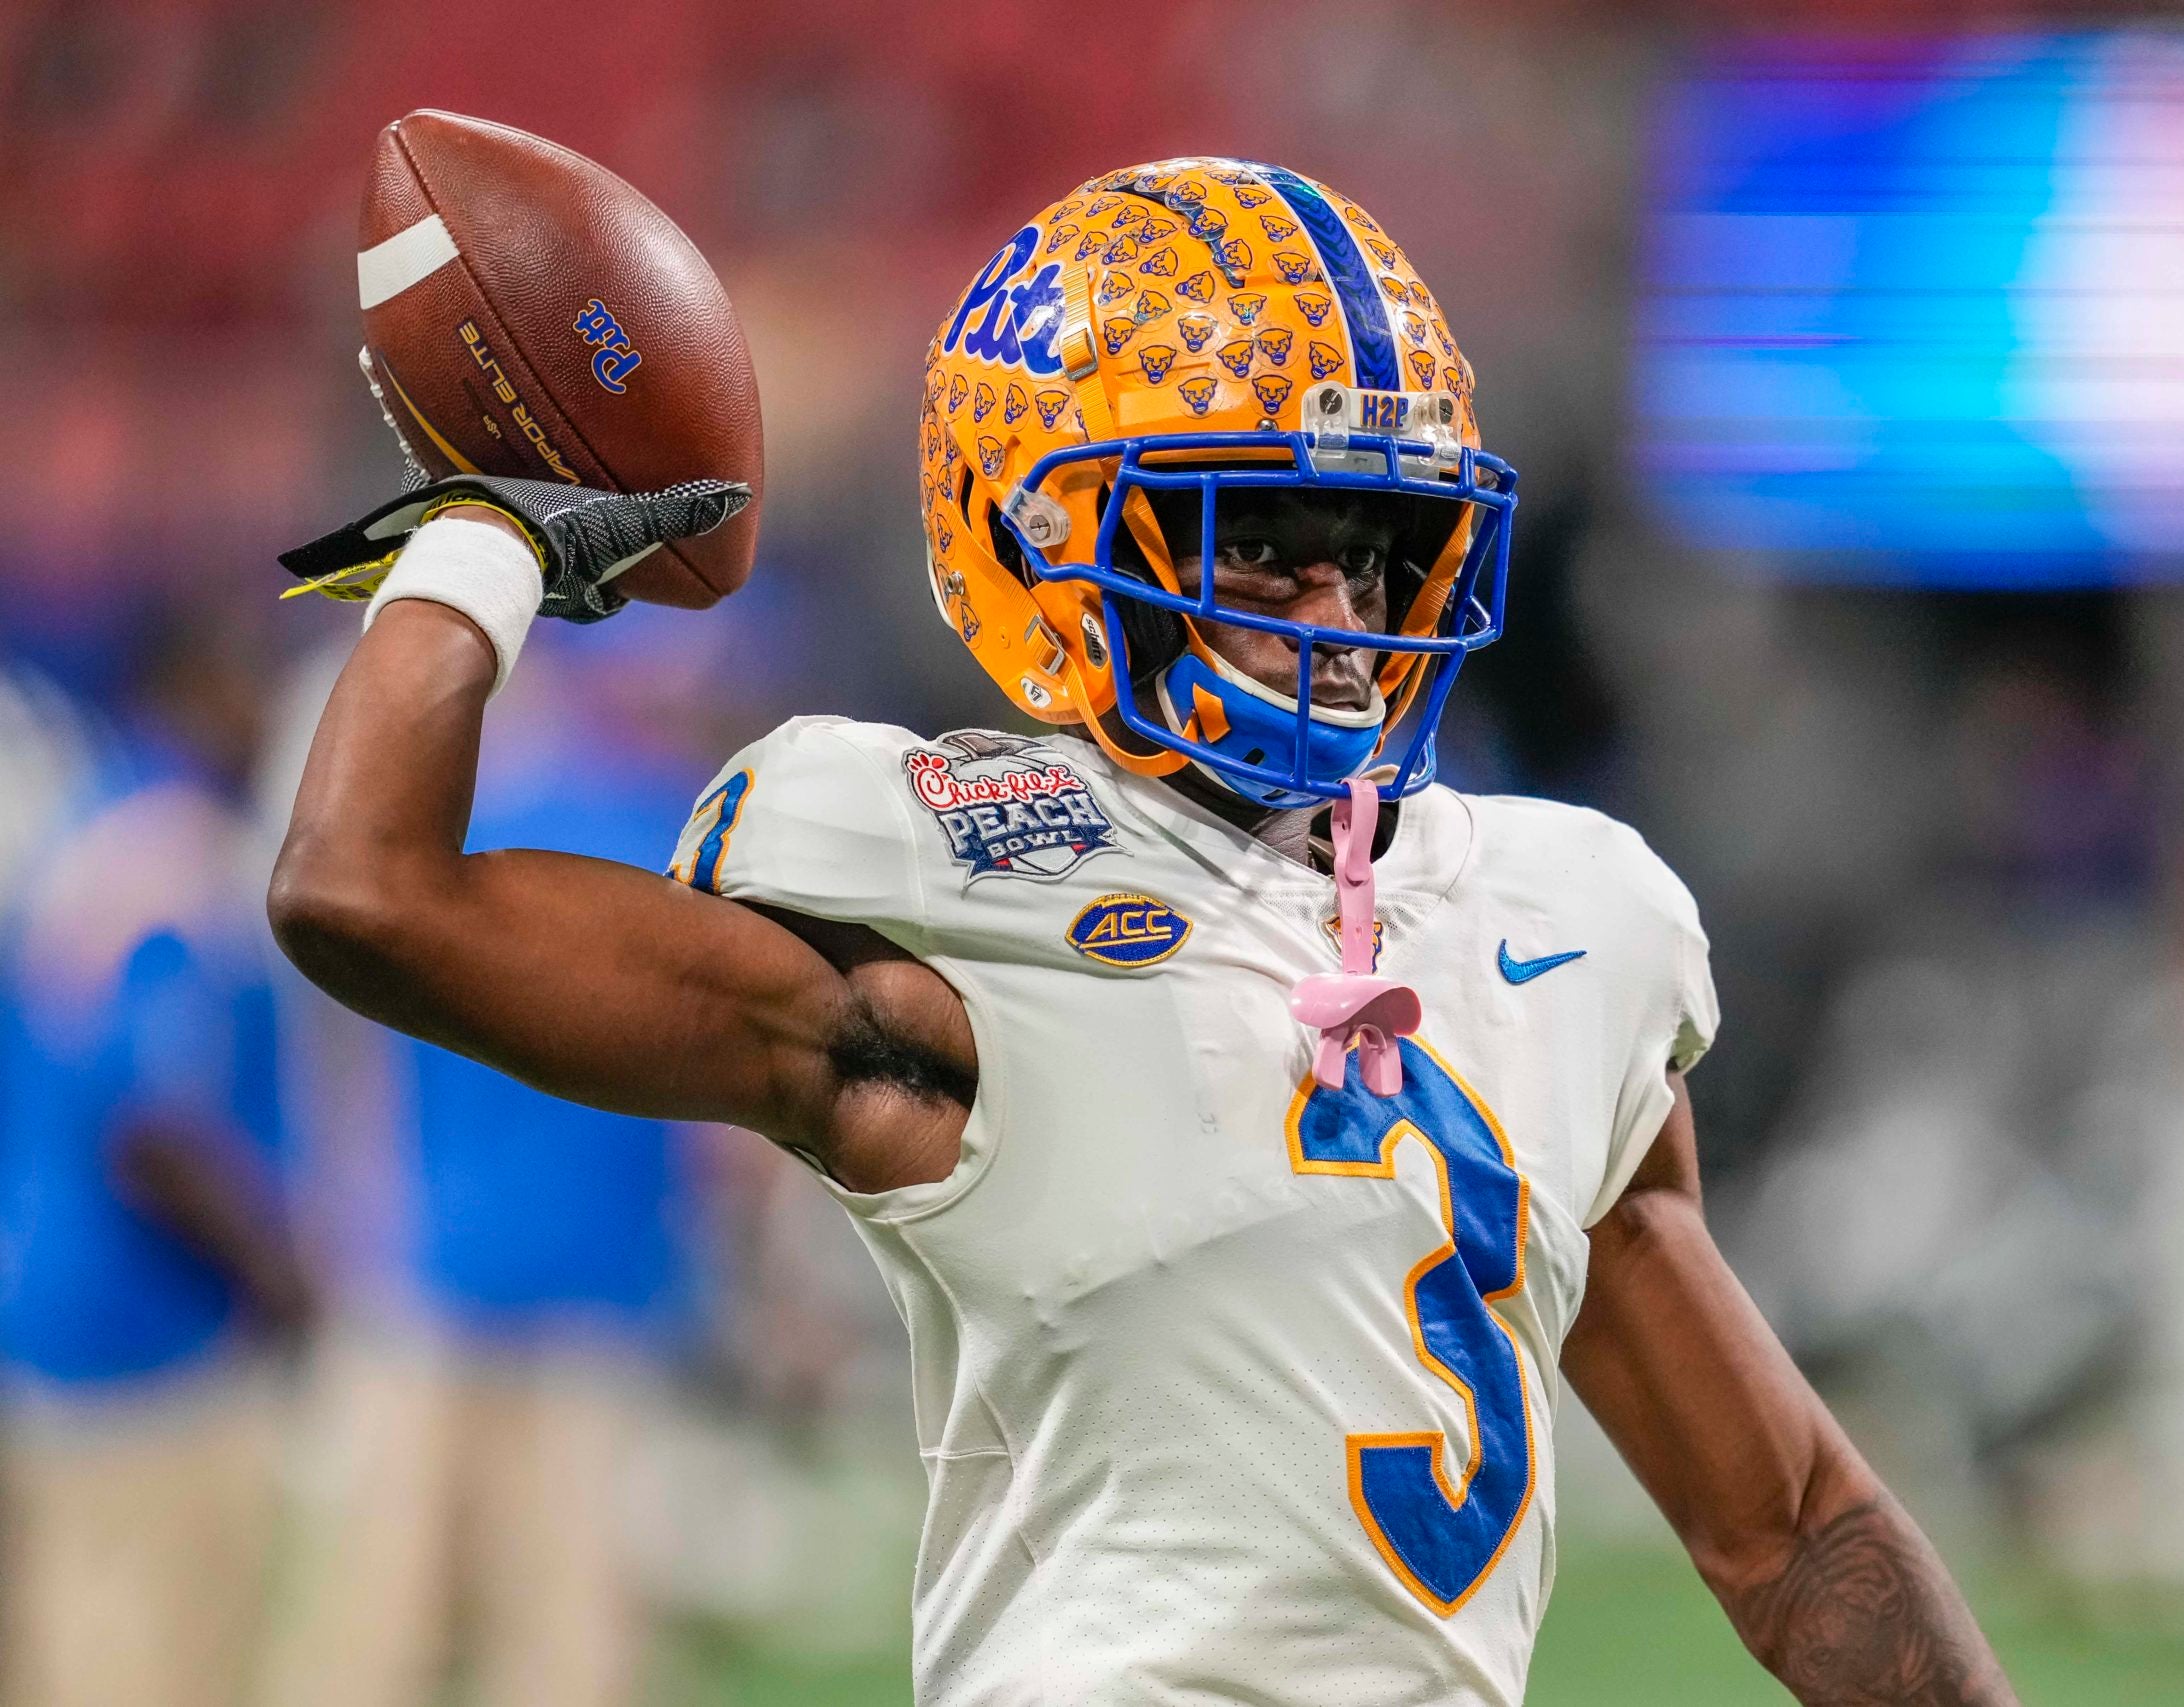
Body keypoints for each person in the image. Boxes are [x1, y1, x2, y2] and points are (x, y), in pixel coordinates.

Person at [269, 159, 2014, 1705]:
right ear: (1043, 535)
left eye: (1370, 546)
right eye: (1252, 544)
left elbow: (1786, 1529)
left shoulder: (1567, 922)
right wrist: (489, 535)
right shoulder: (956, 912)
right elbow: (370, 896)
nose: (1330, 613)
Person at [266, 634, 712, 1707]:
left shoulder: (452, 827)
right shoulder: (660, 830)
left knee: (372, 1640)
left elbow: (346, 1045)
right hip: (586, 1288)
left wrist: (340, 1206)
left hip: (432, 1267)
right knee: (569, 1655)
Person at [0, 626, 308, 1707]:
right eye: (244, 676)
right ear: (186, 684)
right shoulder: (168, 854)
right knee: (149, 1661)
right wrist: (286, 1281)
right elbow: (155, 1131)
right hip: (151, 1333)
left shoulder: (74, 832)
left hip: (49, 1303)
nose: (265, 710)